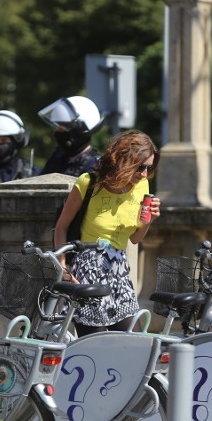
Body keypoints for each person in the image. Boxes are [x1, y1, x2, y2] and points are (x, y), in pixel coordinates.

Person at [54, 129, 161, 336]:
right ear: (124, 160)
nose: (144, 174)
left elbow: (135, 238)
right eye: (140, 167)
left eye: (149, 168)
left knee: (135, 341)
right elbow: (61, 227)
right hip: (86, 271)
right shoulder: (90, 182)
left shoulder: (143, 185)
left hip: (119, 271)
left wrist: (149, 220)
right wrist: (63, 267)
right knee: (97, 345)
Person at [38, 96, 103, 176]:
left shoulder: (94, 166)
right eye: (57, 128)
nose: (57, 133)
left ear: (78, 131)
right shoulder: (57, 159)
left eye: (62, 129)